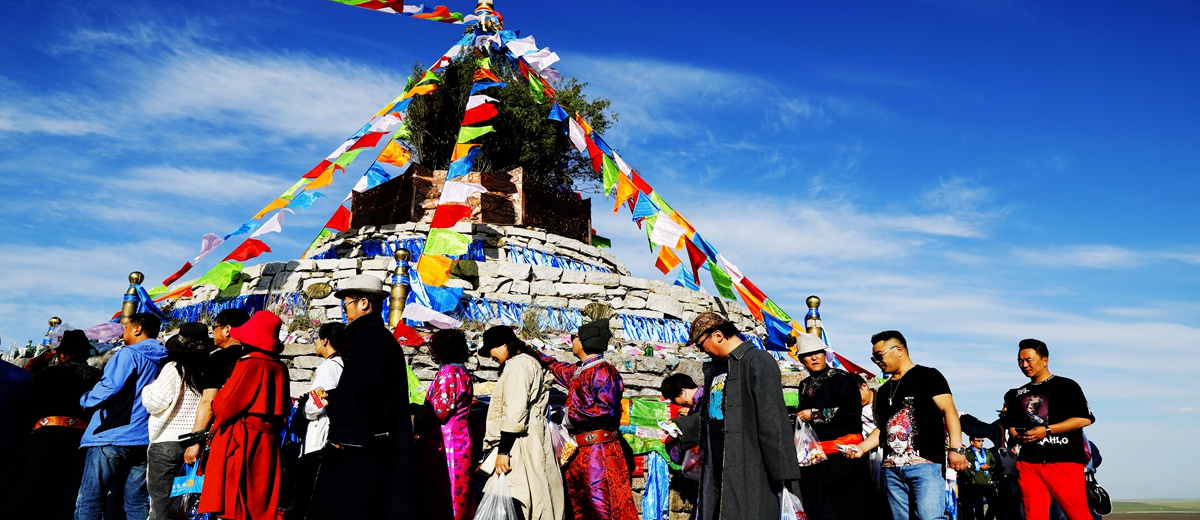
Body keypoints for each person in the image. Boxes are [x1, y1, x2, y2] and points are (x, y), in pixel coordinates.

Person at [307, 275, 414, 520]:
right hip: (368, 440)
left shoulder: (370, 337)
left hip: (360, 446)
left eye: (346, 304)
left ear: (363, 303)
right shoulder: (373, 336)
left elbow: (365, 389)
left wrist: (343, 436)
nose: (344, 311)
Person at [688, 311, 801, 520]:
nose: (700, 349)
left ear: (718, 335)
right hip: (717, 466)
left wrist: (784, 476)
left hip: (749, 465)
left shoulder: (757, 361)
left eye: (700, 343)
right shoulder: (716, 369)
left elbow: (772, 420)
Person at [847, 330, 969, 520]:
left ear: (899, 350)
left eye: (879, 356)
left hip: (925, 465)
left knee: (930, 518)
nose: (877, 361)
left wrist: (956, 448)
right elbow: (882, 429)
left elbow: (949, 411)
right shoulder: (883, 389)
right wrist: (861, 448)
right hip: (891, 468)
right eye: (873, 358)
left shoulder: (928, 376)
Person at [536, 319, 639, 520]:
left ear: (582, 342)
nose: (571, 341)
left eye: (574, 337)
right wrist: (532, 352)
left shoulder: (604, 371)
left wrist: (567, 416)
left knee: (602, 506)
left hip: (600, 453)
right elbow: (557, 368)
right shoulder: (580, 370)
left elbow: (604, 411)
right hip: (580, 451)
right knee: (582, 509)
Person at [198, 310, 290, 520]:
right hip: (268, 439)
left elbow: (223, 406)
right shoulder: (279, 366)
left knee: (238, 500)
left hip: (244, 440)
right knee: (259, 500)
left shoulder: (250, 363)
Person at [75, 313, 168, 520]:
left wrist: (86, 400)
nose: (123, 332)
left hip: (111, 434)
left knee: (90, 499)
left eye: (126, 327)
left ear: (137, 329)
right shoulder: (164, 358)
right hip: (143, 437)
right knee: (136, 500)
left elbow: (111, 385)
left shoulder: (128, 354)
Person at [0, 329, 100, 520]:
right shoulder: (98, 376)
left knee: (28, 491)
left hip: (45, 438)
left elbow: (29, 405)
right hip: (80, 442)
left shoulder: (50, 373)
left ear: (62, 355)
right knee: (66, 494)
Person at [1001, 339, 1095, 520]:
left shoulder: (1067, 386)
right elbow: (1011, 427)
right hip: (1029, 464)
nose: (1024, 365)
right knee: (1034, 516)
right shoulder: (1016, 394)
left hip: (1064, 462)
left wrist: (1047, 430)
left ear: (1045, 360)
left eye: (1029, 360)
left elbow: (1084, 419)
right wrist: (1019, 437)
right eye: (1020, 361)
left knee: (1078, 515)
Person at [480, 325, 565, 520]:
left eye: (491, 351)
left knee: (521, 498)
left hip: (520, 445)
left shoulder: (519, 365)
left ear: (503, 344)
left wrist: (503, 452)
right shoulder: (527, 363)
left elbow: (515, 412)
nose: (492, 357)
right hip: (528, 441)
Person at [794, 332, 869, 520]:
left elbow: (850, 412)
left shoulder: (844, 379)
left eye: (817, 352)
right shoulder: (804, 385)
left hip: (843, 456)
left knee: (847, 510)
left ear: (824, 354)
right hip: (814, 459)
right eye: (808, 354)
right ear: (801, 360)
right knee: (817, 509)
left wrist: (815, 414)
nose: (814, 357)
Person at [142, 325, 210, 520]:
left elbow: (155, 403)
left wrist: (149, 388)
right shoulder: (209, 371)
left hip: (167, 440)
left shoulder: (173, 368)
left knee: (160, 504)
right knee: (190, 501)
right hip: (198, 440)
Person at [414, 329, 475, 520]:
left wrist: (415, 412)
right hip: (460, 440)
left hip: (449, 444)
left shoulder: (450, 372)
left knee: (445, 496)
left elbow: (439, 411)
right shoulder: (461, 371)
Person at [290, 321, 345, 519]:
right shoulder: (344, 365)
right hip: (330, 437)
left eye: (317, 338)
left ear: (325, 340)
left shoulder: (329, 367)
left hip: (318, 440)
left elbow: (318, 401)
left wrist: (304, 411)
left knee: (310, 496)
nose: (315, 343)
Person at [184, 308, 250, 466]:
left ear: (227, 329)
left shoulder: (219, 359)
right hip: (254, 434)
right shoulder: (257, 357)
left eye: (214, 328)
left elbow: (208, 402)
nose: (212, 333)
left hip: (226, 433)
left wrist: (195, 441)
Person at [958, 437, 998, 520]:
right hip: (975, 482)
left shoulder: (987, 452)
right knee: (978, 506)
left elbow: (994, 464)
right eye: (978, 441)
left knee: (995, 503)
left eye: (982, 440)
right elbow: (965, 467)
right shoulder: (967, 453)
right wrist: (973, 471)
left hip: (987, 481)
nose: (981, 442)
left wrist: (989, 467)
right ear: (972, 442)